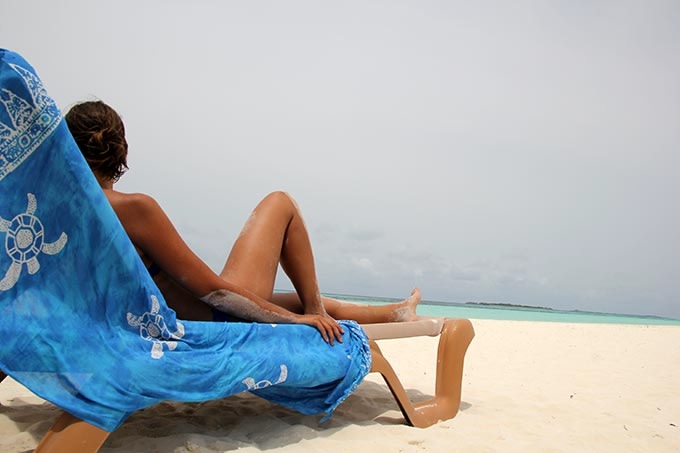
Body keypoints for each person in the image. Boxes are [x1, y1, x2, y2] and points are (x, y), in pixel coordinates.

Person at [64, 100, 421, 345]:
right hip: (208, 318)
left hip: (156, 319)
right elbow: (215, 291)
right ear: (120, 149)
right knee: (281, 203)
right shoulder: (133, 209)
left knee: (294, 301)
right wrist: (298, 321)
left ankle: (395, 312)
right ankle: (316, 310)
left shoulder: (63, 217)